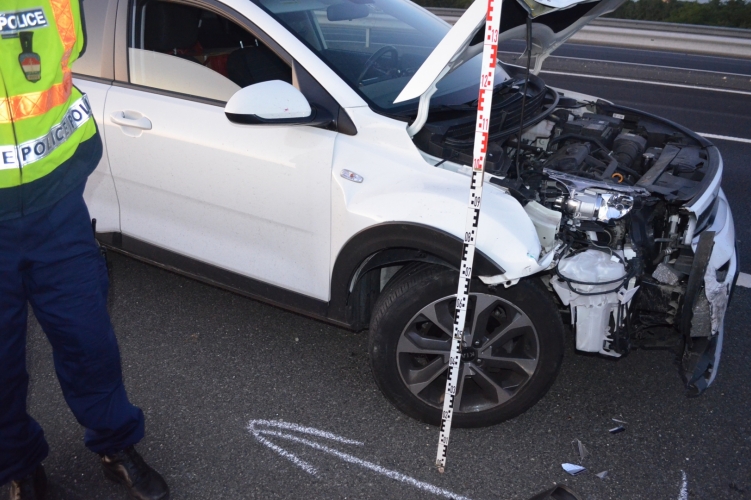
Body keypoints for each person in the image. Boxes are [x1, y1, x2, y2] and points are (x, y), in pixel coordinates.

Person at [0, 1, 169, 499]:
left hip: (57, 208)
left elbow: (62, 63)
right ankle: (19, 467)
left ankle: (116, 446)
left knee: (89, 342)